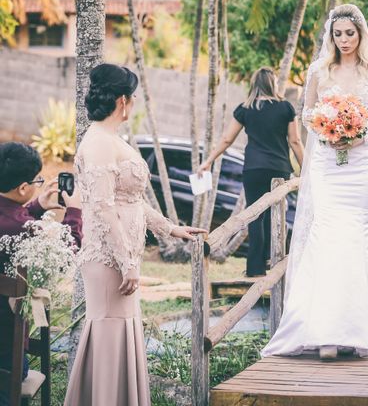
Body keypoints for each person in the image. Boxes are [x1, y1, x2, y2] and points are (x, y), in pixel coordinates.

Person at [262, 4, 368, 360]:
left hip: (361, 165)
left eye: (350, 33)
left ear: (361, 34)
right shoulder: (317, 71)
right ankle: (324, 331)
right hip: (327, 165)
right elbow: (307, 114)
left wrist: (360, 134)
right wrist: (328, 130)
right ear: (330, 35)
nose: (343, 40)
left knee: (359, 238)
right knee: (327, 237)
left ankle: (360, 330)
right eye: (338, 34)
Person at [64, 64, 205, 406]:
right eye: (134, 97)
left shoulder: (113, 139)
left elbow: (133, 202)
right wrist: (127, 263)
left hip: (123, 260)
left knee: (120, 334)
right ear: (124, 101)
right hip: (109, 260)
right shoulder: (98, 142)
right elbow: (102, 207)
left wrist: (171, 228)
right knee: (111, 337)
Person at [198, 67, 304, 277]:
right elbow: (295, 141)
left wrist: (208, 161)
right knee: (277, 216)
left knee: (256, 216)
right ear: (273, 84)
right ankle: (274, 263)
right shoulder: (285, 108)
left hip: (254, 169)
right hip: (279, 169)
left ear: (254, 84)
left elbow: (227, 139)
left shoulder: (245, 109)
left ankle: (255, 268)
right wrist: (308, 169)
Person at [0, 142, 82, 406]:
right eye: (36, 181)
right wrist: (75, 211)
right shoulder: (23, 228)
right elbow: (67, 250)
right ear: (23, 187)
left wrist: (36, 206)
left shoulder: (18, 222)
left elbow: (10, 220)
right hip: (6, 358)